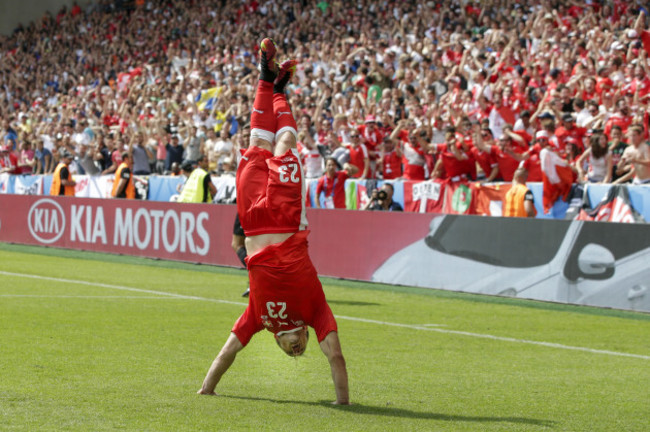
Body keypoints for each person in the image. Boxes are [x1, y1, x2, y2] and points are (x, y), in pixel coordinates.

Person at [198, 39, 349, 405]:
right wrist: (343, 402)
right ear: (307, 338)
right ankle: (279, 92)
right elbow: (337, 358)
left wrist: (207, 388)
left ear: (278, 343)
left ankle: (268, 80)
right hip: (283, 217)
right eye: (300, 350)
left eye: (290, 352)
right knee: (283, 142)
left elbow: (227, 353)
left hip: (251, 220)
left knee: (258, 141)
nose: (296, 351)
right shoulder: (314, 311)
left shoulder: (258, 318)